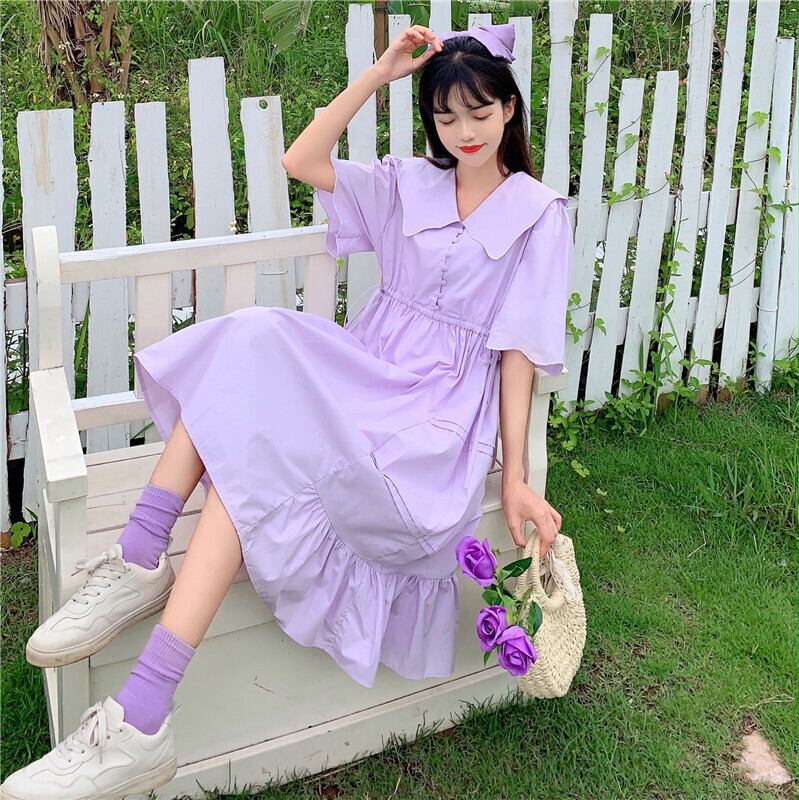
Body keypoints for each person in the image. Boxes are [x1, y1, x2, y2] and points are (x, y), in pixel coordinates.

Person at [0, 21, 572, 800]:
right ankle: (139, 577)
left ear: (508, 108)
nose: (463, 131)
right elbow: (301, 159)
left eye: (479, 112)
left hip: (433, 421)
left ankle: (139, 703)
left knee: (248, 458)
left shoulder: (538, 213)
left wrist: (513, 477)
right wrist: (376, 75)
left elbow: (517, 351)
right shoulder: (410, 182)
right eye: (445, 116)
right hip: (364, 374)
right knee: (253, 341)